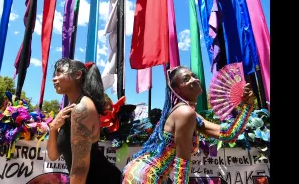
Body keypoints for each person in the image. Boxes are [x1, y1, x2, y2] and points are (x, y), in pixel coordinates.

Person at [122, 66, 254, 184]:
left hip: (146, 173)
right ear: (177, 90)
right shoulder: (184, 113)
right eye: (186, 79)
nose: (194, 80)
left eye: (194, 76)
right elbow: (182, 162)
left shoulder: (189, 113)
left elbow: (228, 134)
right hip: (144, 176)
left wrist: (247, 106)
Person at [46, 58, 122, 184]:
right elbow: (53, 155)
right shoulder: (69, 111)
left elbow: (79, 169)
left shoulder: (82, 108)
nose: (54, 79)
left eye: (59, 73)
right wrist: (53, 128)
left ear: (78, 75)